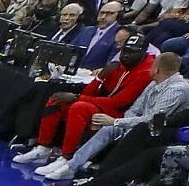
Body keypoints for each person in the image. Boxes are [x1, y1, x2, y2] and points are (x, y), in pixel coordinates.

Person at [33, 49, 189, 178]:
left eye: (153, 64)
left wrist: (116, 122)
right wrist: (117, 124)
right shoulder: (156, 82)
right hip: (142, 126)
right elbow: (136, 109)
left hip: (164, 133)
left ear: (158, 69)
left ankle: (98, 177)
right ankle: (70, 165)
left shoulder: (177, 89)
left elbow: (152, 119)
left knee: (112, 125)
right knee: (108, 129)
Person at [13, 38, 156, 165]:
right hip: (103, 105)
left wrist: (76, 97)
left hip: (121, 113)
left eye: (132, 52)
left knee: (80, 107)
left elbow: (118, 102)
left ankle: (67, 157)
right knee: (57, 99)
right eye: (124, 51)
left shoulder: (146, 72)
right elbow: (88, 92)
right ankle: (43, 148)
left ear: (143, 52)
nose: (126, 55)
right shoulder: (118, 65)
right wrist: (100, 77)